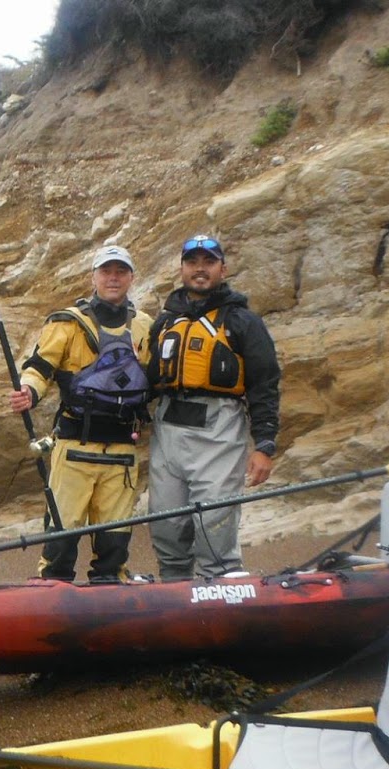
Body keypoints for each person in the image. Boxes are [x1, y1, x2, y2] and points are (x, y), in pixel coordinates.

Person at [9, 245, 154, 582]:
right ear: (94, 277)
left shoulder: (146, 326)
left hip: (122, 452)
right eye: (106, 271)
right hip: (75, 447)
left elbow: (156, 379)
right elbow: (40, 366)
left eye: (120, 271)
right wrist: (28, 391)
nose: (113, 278)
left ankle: (109, 586)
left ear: (131, 277)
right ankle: (54, 589)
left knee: (114, 541)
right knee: (62, 535)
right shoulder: (67, 322)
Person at [145, 234, 281, 580]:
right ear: (182, 269)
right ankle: (175, 596)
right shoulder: (164, 323)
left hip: (219, 430)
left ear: (223, 267)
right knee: (166, 525)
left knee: (213, 525)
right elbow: (148, 382)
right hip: (168, 429)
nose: (200, 269)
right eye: (192, 263)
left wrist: (264, 444)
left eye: (208, 262)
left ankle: (219, 588)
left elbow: (264, 384)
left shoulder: (243, 322)